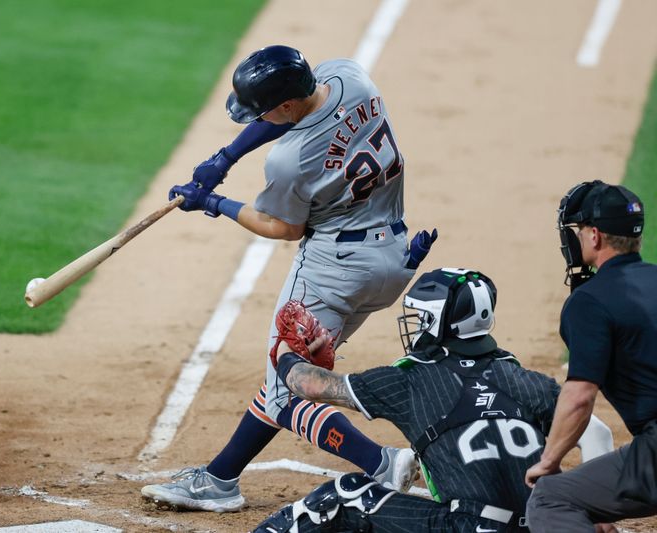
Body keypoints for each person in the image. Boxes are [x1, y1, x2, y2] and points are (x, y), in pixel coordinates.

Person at [141, 45, 437, 511]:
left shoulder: (291, 159)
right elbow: (289, 111)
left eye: (262, 110)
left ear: (282, 107)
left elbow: (283, 227)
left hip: (332, 274)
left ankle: (382, 462)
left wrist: (214, 204)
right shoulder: (349, 76)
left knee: (286, 394)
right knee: (284, 377)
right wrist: (226, 157)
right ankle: (220, 478)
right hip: (391, 258)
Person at [252, 267, 613, 532]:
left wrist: (286, 353)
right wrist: (594, 519)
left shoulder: (412, 380)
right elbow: (597, 433)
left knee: (348, 493)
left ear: (437, 320)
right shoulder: (525, 379)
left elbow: (310, 386)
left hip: (468, 527)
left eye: (420, 316)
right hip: (540, 526)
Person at [525, 180, 657, 531]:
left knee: (551, 498)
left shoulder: (589, 301)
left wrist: (550, 461)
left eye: (580, 231)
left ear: (595, 236)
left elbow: (580, 396)